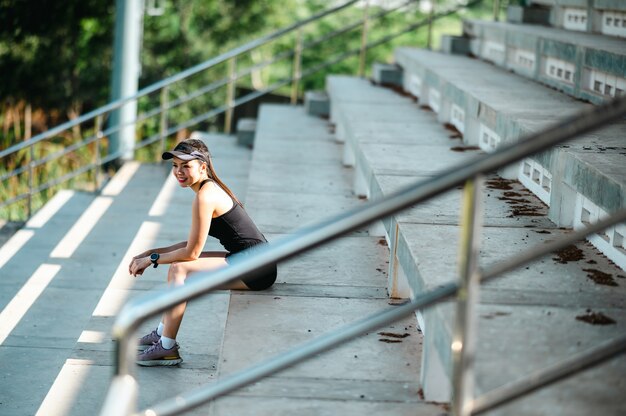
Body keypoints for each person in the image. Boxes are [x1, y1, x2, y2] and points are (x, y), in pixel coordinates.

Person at [128, 138, 276, 366]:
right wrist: (152, 251)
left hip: (257, 268)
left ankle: (167, 348)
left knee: (180, 269)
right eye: (175, 166)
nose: (179, 172)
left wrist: (153, 259)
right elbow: (192, 243)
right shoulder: (208, 189)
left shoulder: (205, 196)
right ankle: (161, 333)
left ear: (202, 167)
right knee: (179, 266)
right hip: (250, 260)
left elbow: (191, 253)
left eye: (185, 166)